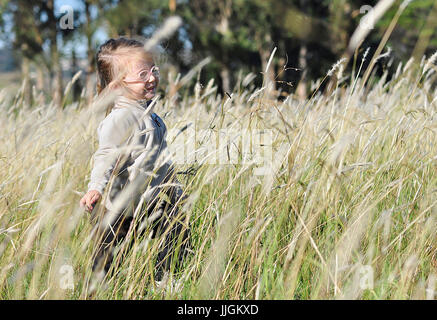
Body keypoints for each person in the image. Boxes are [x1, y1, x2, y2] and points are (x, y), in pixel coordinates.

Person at [79, 37, 189, 287]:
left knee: (176, 229)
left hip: (149, 200)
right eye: (142, 74)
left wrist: (175, 190)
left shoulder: (153, 116)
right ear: (118, 86)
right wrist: (96, 186)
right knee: (107, 262)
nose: (151, 77)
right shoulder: (121, 118)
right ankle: (97, 291)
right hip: (115, 207)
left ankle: (166, 281)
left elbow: (163, 160)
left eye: (153, 70)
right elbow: (105, 155)